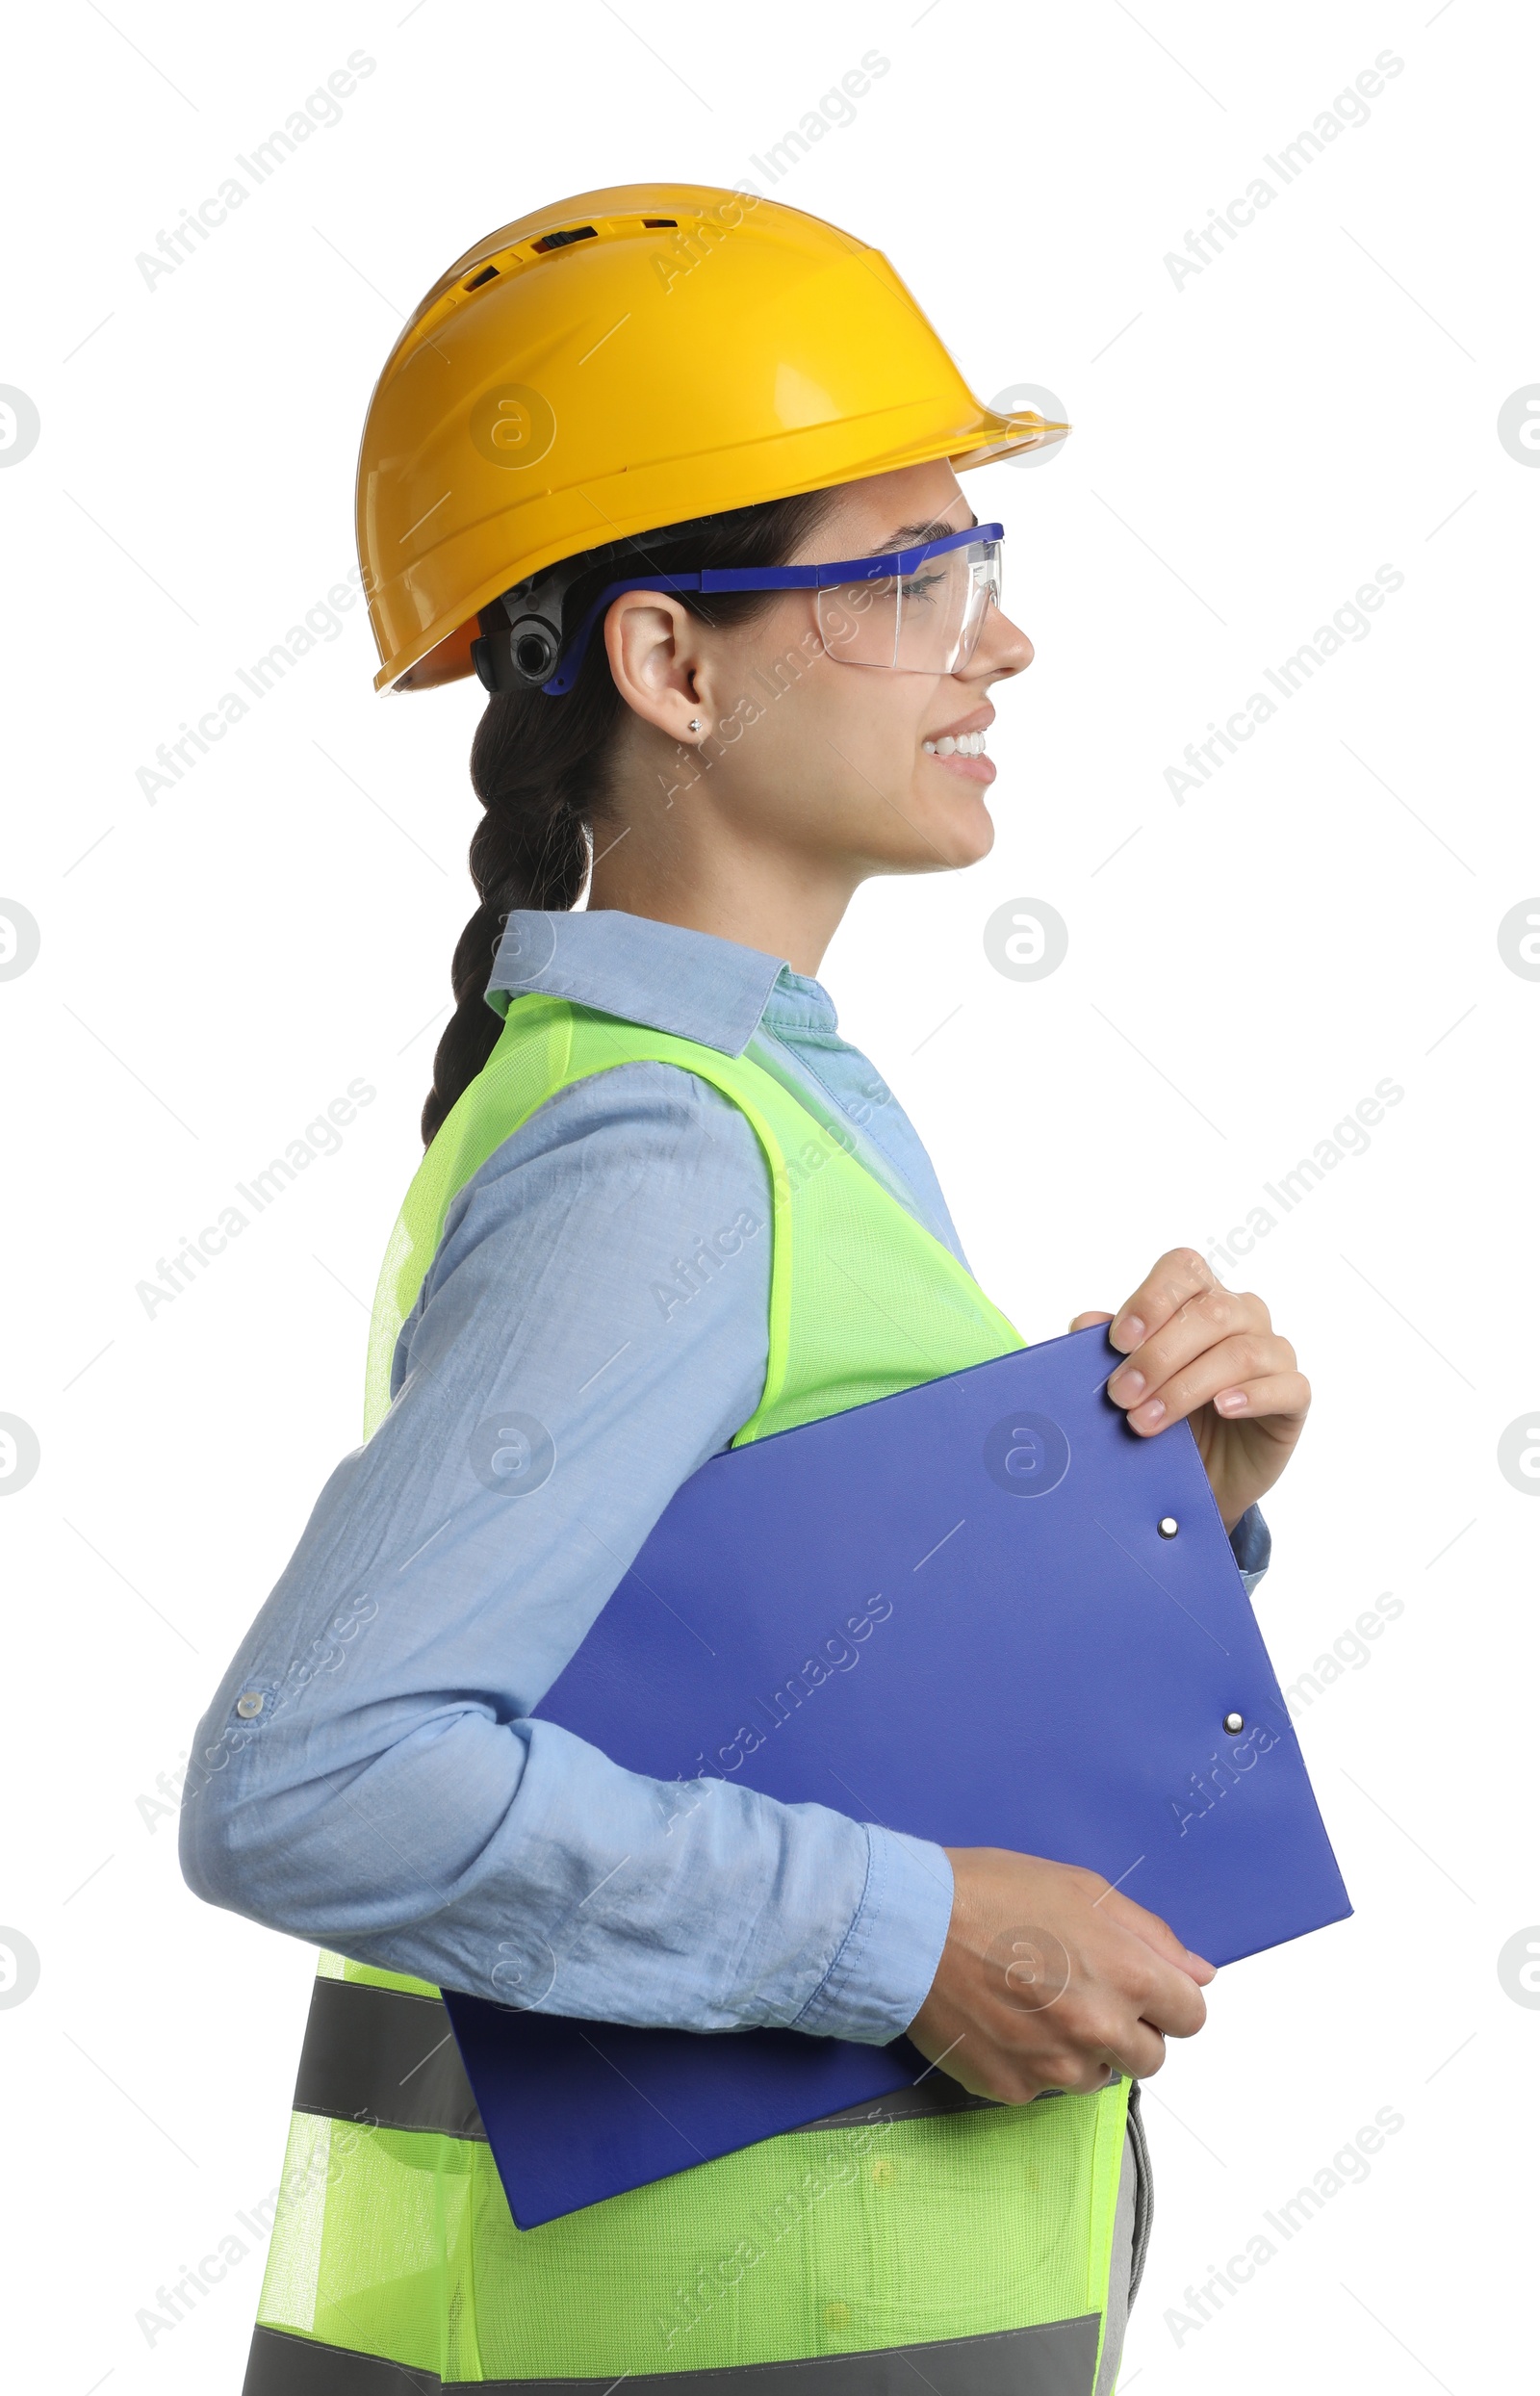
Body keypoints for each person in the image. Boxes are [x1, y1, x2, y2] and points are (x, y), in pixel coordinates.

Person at [182, 183, 1308, 2396]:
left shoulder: (744, 1101)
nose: (997, 644)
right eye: (915, 578)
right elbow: (312, 1782)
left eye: (978, 569)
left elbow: (752, 1675)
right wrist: (912, 1944)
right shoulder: (662, 1155)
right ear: (671, 666)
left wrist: (1181, 1516)